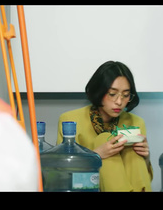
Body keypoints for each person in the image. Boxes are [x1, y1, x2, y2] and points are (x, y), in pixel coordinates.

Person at [57, 61, 152, 191]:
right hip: (87, 185)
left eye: (125, 95)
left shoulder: (136, 122)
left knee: (132, 147)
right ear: (99, 91)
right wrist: (96, 155)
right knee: (105, 138)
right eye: (112, 94)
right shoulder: (70, 120)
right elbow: (62, 174)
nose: (119, 102)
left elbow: (144, 176)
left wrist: (146, 158)